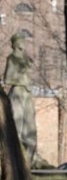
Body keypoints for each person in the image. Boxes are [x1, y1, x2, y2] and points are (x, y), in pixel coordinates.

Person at [3, 33, 37, 165]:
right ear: (17, 44)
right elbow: (7, 79)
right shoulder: (11, 59)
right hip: (17, 93)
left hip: (27, 94)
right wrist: (23, 81)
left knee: (30, 126)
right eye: (22, 41)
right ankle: (16, 160)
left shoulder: (27, 59)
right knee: (17, 126)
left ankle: (28, 161)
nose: (25, 43)